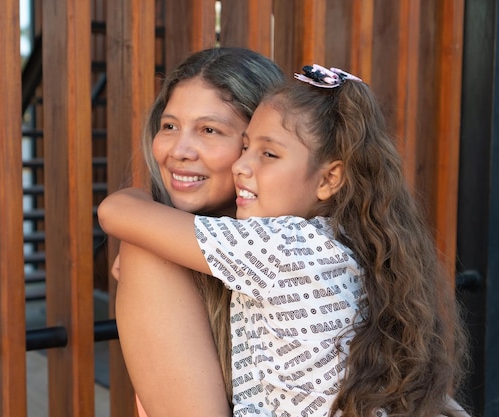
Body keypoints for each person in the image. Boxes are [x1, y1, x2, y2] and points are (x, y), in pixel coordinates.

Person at [100, 65, 469, 416]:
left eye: (211, 130)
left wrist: (143, 222)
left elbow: (115, 211)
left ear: (329, 178)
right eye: (169, 125)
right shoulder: (348, 244)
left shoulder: (282, 246)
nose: (243, 166)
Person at [112, 47, 287, 417]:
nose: (179, 150)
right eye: (170, 126)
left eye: (209, 130)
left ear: (259, 144)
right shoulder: (151, 252)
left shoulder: (308, 250)